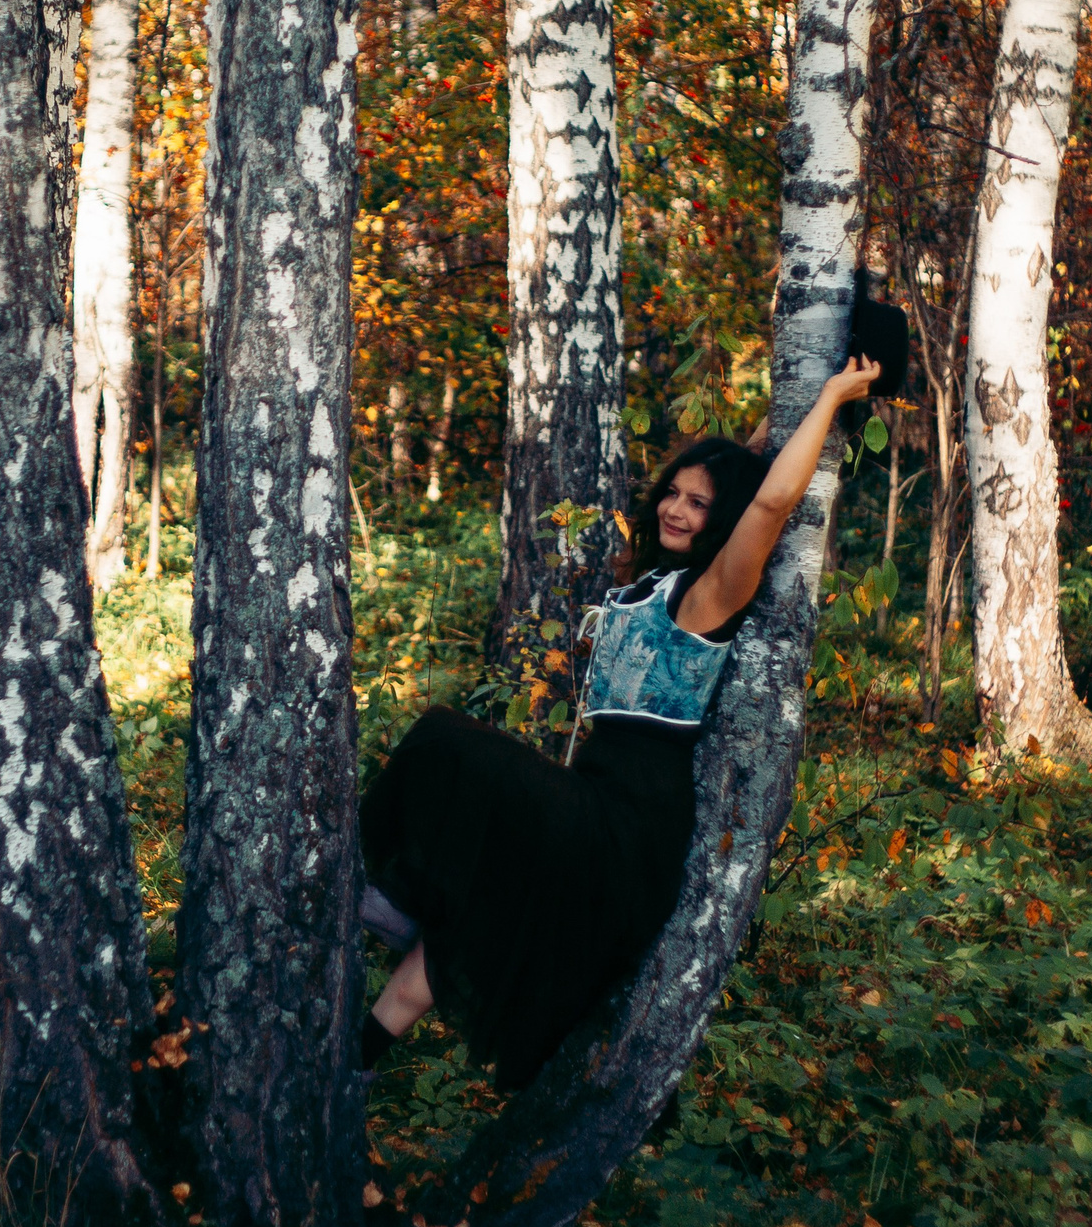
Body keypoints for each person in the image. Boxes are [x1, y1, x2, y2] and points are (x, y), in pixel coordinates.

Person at [356, 353, 884, 1086]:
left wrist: (831, 395)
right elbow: (746, 474)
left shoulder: (713, 593)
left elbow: (764, 504)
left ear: (721, 518)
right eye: (673, 492)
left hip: (624, 836)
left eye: (699, 504)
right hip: (589, 808)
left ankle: (372, 884)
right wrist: (769, 433)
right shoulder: (654, 581)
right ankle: (345, 1072)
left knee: (448, 737)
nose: (676, 508)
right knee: (445, 950)